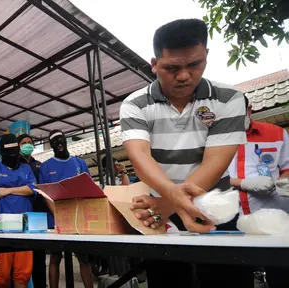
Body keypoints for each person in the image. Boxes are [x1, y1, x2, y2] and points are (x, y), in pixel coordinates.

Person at [119, 19, 251, 288]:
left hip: (214, 206)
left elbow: (216, 161)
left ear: (206, 57)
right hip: (161, 214)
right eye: (171, 68)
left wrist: (169, 204)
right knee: (169, 281)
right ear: (154, 64)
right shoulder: (134, 105)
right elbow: (141, 158)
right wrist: (170, 203)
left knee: (226, 281)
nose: (183, 76)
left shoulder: (229, 99)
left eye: (194, 64)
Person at [229, 95, 289, 288]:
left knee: (281, 273)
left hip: (273, 216)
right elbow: (210, 178)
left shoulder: (277, 134)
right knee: (237, 275)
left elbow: (287, 167)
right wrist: (242, 183)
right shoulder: (217, 141)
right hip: (232, 219)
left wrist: (284, 180)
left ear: (250, 110)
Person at [39, 129, 94, 288]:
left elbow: (88, 189)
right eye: (54, 141)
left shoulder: (79, 163)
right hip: (56, 219)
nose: (59, 143)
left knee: (83, 258)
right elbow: (44, 194)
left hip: (78, 219)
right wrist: (58, 214)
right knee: (55, 258)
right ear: (51, 145)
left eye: (61, 139)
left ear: (65, 140)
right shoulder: (46, 166)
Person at [0, 134, 37, 288]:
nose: (13, 155)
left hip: (25, 226)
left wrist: (7, 190)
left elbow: (32, 189)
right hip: (3, 228)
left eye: (15, 151)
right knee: (3, 275)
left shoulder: (26, 168)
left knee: (23, 274)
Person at [17, 133, 47, 288]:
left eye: (29, 142)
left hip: (38, 215)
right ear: (18, 146)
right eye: (23, 143)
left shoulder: (39, 165)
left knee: (39, 258)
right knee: (23, 257)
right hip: (22, 214)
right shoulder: (15, 164)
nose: (27, 145)